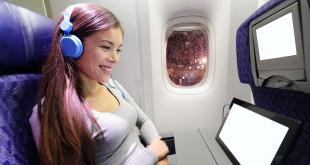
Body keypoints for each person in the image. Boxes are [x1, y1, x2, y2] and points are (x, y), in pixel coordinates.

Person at [29, 3, 169, 165]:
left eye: (118, 50)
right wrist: (152, 154)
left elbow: (143, 120)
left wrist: (160, 156)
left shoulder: (110, 84)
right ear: (72, 46)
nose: (115, 58)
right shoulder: (54, 111)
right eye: (106, 47)